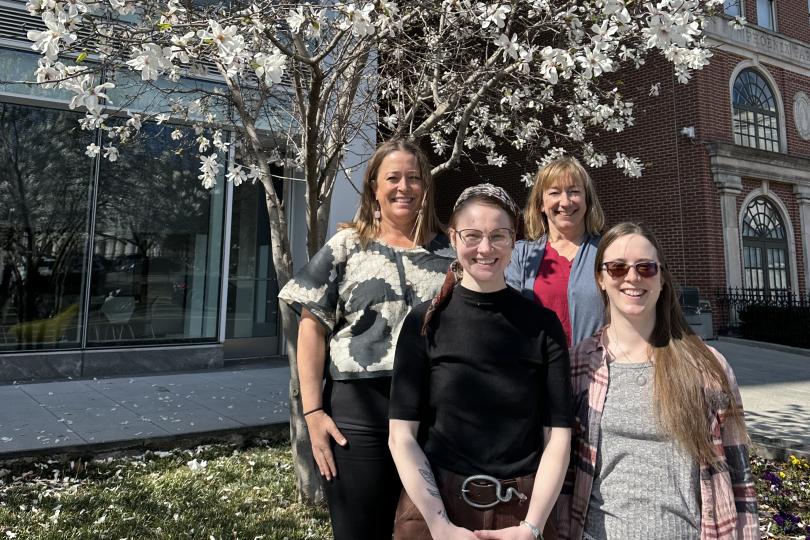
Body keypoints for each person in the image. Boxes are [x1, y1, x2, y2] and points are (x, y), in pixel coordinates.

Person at [277, 139, 454, 540]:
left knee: (429, 532)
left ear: (426, 186)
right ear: (374, 186)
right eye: (393, 178)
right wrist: (312, 413)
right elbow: (311, 326)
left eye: (414, 178)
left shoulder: (450, 252)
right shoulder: (347, 246)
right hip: (358, 413)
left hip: (434, 413)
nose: (404, 187)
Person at [388, 183, 572, 540]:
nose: (485, 248)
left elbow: (558, 438)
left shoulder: (542, 325)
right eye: (472, 235)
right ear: (453, 238)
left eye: (498, 236)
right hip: (437, 507)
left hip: (522, 511)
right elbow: (401, 437)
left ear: (514, 240)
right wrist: (440, 525)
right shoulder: (424, 322)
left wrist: (531, 528)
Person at [557, 222, 759, 540]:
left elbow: (739, 478)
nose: (632, 277)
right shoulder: (579, 365)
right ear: (600, 279)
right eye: (617, 267)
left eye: (646, 268)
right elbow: (565, 475)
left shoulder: (707, 366)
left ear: (662, 278)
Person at [506, 157, 605, 347]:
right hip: (538, 363)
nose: (565, 202)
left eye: (574, 191)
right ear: (541, 204)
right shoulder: (520, 254)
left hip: (597, 361)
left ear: (587, 200)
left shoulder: (608, 250)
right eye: (554, 192)